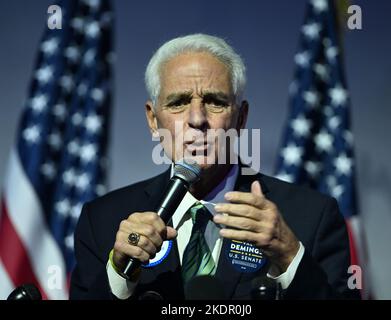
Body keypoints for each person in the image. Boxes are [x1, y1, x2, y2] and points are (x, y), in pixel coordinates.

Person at [69, 34, 360, 300]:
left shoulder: (311, 218)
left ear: (241, 118)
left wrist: (289, 255)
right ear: (153, 120)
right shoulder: (103, 222)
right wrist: (120, 272)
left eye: (215, 102)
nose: (197, 119)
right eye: (178, 103)